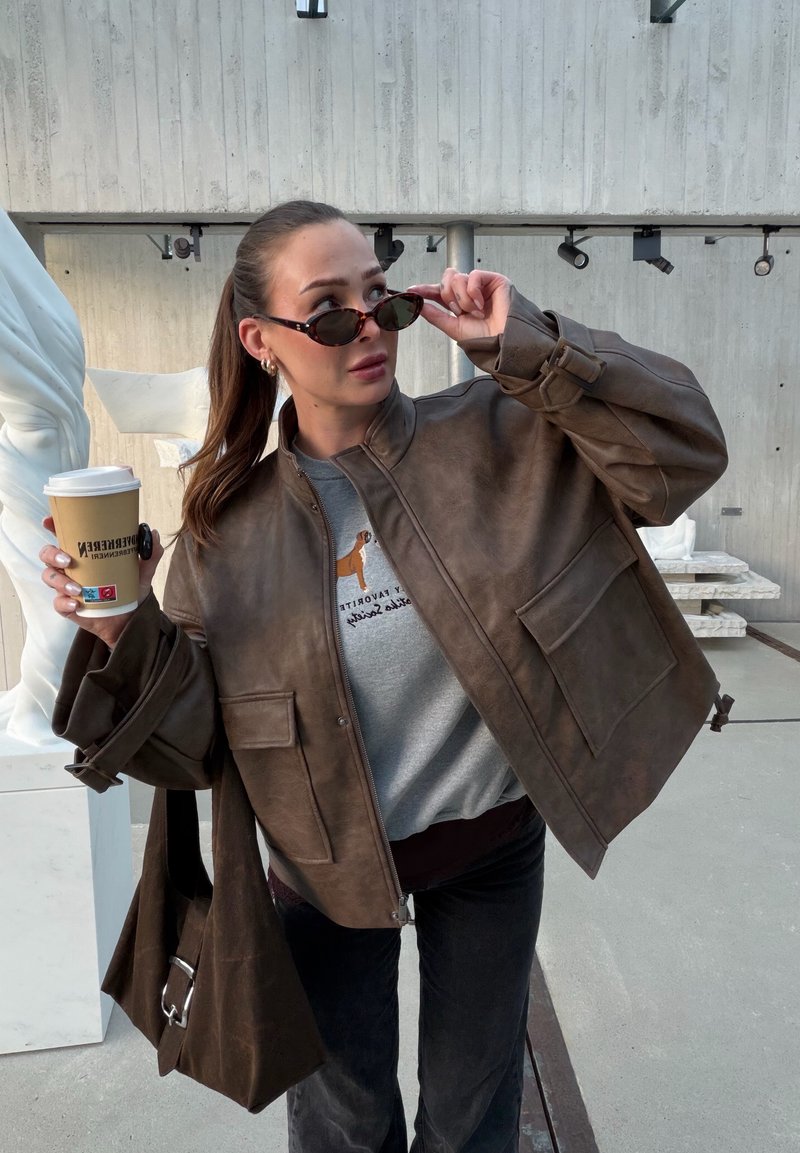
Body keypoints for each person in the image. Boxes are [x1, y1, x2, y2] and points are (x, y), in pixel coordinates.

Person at [42, 200, 728, 1153]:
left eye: (382, 298)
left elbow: (684, 453)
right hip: (321, 875)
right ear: (261, 340)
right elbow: (192, 746)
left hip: (491, 847)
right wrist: (125, 629)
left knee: (472, 1115)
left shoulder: (501, 431)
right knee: (347, 1126)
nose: (367, 328)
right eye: (327, 311)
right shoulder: (222, 532)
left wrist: (528, 344)